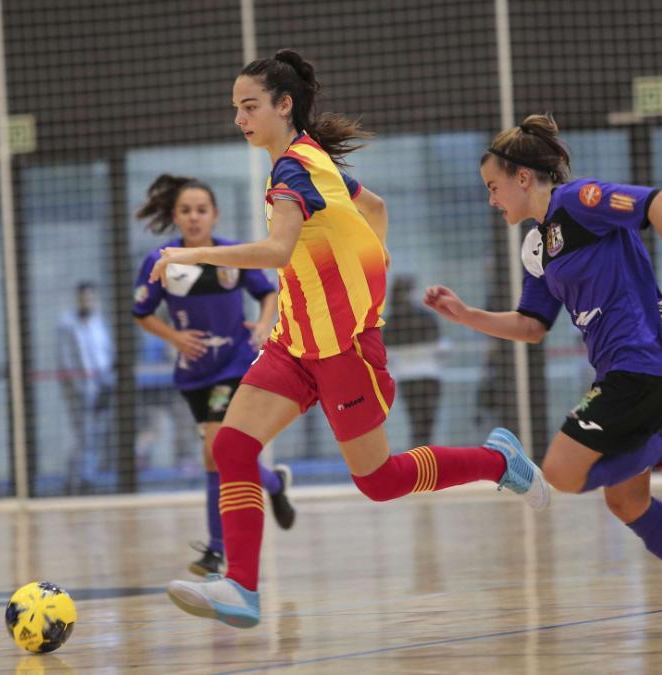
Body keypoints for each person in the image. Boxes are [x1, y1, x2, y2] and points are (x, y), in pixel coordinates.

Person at [160, 49, 548, 629]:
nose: (239, 119)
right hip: (294, 343)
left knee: (379, 480)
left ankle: (498, 461)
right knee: (233, 447)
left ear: (283, 105)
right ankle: (241, 587)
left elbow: (277, 252)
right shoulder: (308, 159)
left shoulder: (294, 168)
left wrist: (191, 252)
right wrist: (372, 256)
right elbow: (374, 208)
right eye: (235, 108)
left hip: (343, 350)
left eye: (249, 106)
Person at [424, 114, 662, 631]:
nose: (492, 199)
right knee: (626, 501)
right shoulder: (537, 247)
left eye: (494, 187)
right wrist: (467, 316)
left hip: (640, 360)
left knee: (559, 471)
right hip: (620, 370)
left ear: (524, 178)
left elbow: (653, 201)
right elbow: (533, 326)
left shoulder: (579, 201)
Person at [133, 174, 297, 577]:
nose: (194, 218)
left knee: (214, 450)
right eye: (186, 211)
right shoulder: (161, 261)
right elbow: (141, 313)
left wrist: (262, 325)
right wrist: (175, 337)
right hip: (193, 375)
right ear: (175, 216)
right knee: (218, 458)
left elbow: (268, 292)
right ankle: (273, 483)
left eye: (201, 210)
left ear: (215, 216)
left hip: (233, 365)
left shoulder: (232, 255)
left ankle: (216, 550)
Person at [57, 281, 115, 493]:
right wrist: (77, 387)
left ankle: (86, 476)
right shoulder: (68, 324)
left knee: (96, 434)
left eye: (91, 297)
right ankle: (76, 479)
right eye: (83, 297)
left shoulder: (99, 323)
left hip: (102, 386)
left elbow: (107, 352)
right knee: (83, 435)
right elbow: (66, 360)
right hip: (79, 390)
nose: (87, 301)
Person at [383, 275, 447, 448]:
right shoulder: (425, 317)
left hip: (407, 379)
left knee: (417, 425)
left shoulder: (391, 322)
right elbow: (441, 347)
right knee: (426, 426)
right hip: (428, 376)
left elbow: (386, 354)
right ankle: (426, 462)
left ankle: (420, 463)